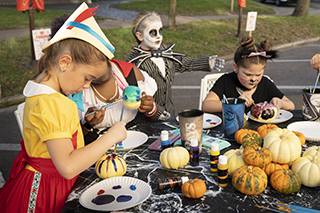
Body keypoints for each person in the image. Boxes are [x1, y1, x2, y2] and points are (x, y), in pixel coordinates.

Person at [0, 3, 127, 213]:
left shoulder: (44, 92)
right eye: (87, 78)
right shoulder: (51, 103)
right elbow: (67, 167)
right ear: (65, 63)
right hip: (45, 193)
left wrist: (84, 124)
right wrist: (110, 137)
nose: (87, 86)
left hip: (47, 182)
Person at [127, 11, 225, 121]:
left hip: (170, 115)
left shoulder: (165, 51)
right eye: (153, 33)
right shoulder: (135, 62)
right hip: (146, 122)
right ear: (139, 36)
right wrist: (156, 112)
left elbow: (182, 63)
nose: (159, 36)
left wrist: (207, 62)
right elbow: (136, 96)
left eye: (160, 31)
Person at [69, 59, 158, 144]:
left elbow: (151, 117)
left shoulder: (128, 73)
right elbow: (68, 141)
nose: (100, 70)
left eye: (100, 60)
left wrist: (149, 108)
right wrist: (87, 125)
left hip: (134, 143)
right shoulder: (73, 89)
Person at [202, 36, 295, 113]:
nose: (253, 79)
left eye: (258, 75)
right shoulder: (226, 81)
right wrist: (235, 103)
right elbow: (206, 105)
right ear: (235, 68)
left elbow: (291, 105)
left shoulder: (265, 84)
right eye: (248, 74)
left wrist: (281, 103)